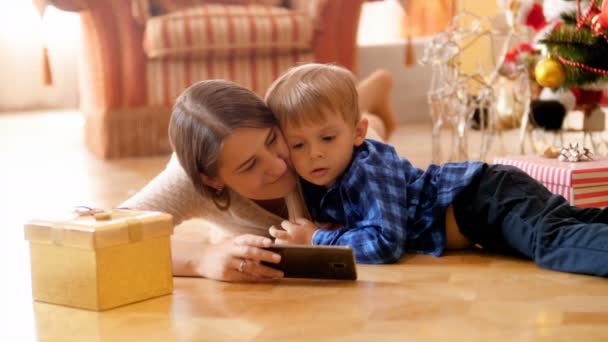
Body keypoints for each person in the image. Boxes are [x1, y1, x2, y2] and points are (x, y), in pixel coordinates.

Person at [265, 63, 608, 277]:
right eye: (298, 145)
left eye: (327, 137)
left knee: (551, 242)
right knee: (570, 220)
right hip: (490, 202)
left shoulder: (368, 170)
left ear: (358, 133)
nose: (315, 154)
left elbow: (386, 243)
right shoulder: (322, 178)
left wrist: (316, 238)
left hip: (487, 201)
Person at [120, 69, 398, 282]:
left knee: (360, 128)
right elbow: (107, 239)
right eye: (250, 165)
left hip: (356, 132)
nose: (279, 167)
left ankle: (368, 100)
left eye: (271, 140)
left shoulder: (308, 145)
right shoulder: (188, 178)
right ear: (212, 180)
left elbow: (390, 204)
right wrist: (201, 258)